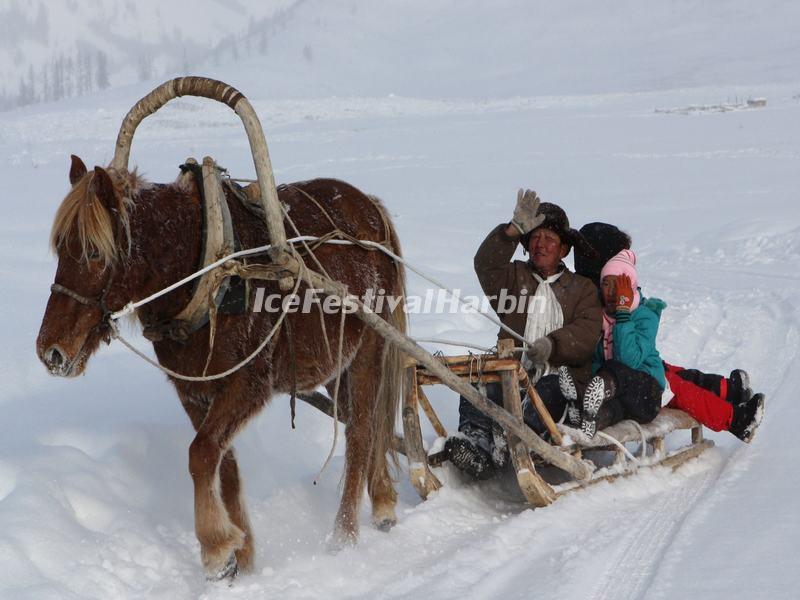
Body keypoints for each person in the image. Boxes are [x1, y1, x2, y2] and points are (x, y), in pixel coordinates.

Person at [444, 190, 602, 479]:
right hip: (512, 373)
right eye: (534, 238)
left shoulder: (583, 289)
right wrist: (512, 231)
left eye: (550, 239)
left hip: (560, 380)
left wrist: (551, 344)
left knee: (549, 389)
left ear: (564, 249)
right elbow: (486, 264)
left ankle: (515, 440)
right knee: (478, 382)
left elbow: (587, 333)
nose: (540, 244)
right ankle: (477, 445)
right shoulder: (512, 278)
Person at [574, 222, 764, 442]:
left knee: (669, 370)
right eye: (619, 254)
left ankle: (728, 390)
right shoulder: (593, 292)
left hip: (630, 361)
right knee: (677, 388)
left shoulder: (606, 283)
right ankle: (735, 419)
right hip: (621, 370)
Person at [560, 249, 666, 438]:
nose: (611, 292)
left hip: (647, 394)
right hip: (616, 397)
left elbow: (629, 360)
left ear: (631, 287)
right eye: (606, 284)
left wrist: (623, 311)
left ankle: (587, 394)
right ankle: (588, 420)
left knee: (618, 370)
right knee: (612, 410)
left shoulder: (645, 316)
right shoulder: (599, 317)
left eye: (618, 285)